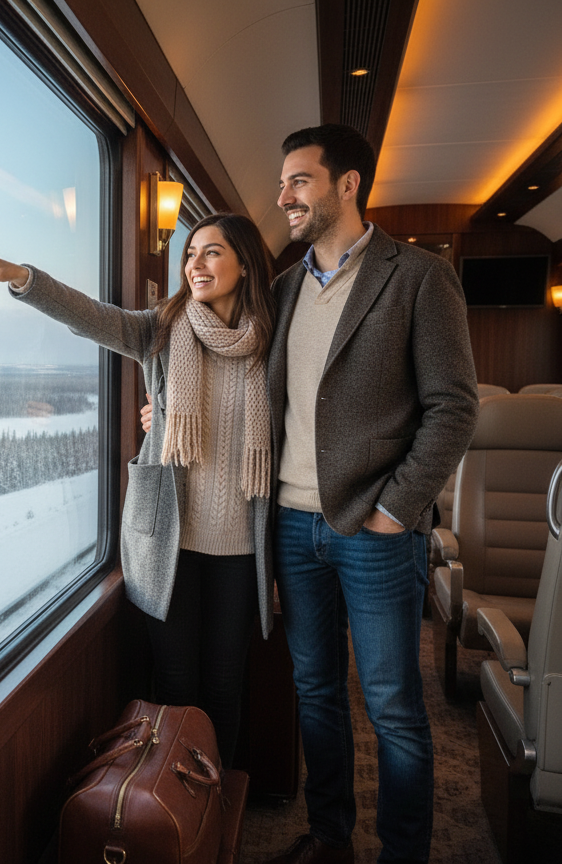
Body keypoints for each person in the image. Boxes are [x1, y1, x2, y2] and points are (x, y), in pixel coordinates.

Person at [0, 212, 276, 764]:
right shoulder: (163, 329)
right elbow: (91, 317)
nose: (196, 264)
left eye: (212, 252)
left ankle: (213, 798)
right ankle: (176, 802)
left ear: (245, 264)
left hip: (241, 547)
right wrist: (23, 278)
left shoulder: (272, 341)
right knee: (176, 683)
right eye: (190, 254)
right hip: (169, 542)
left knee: (226, 682)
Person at [261, 124, 478, 864]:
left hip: (376, 531)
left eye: (299, 181)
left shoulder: (418, 276)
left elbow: (454, 408)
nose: (283, 196)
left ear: (347, 184)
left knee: (393, 709)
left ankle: (402, 853)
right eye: (282, 182)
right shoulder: (283, 288)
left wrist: (395, 511)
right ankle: (330, 837)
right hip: (293, 527)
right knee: (315, 694)